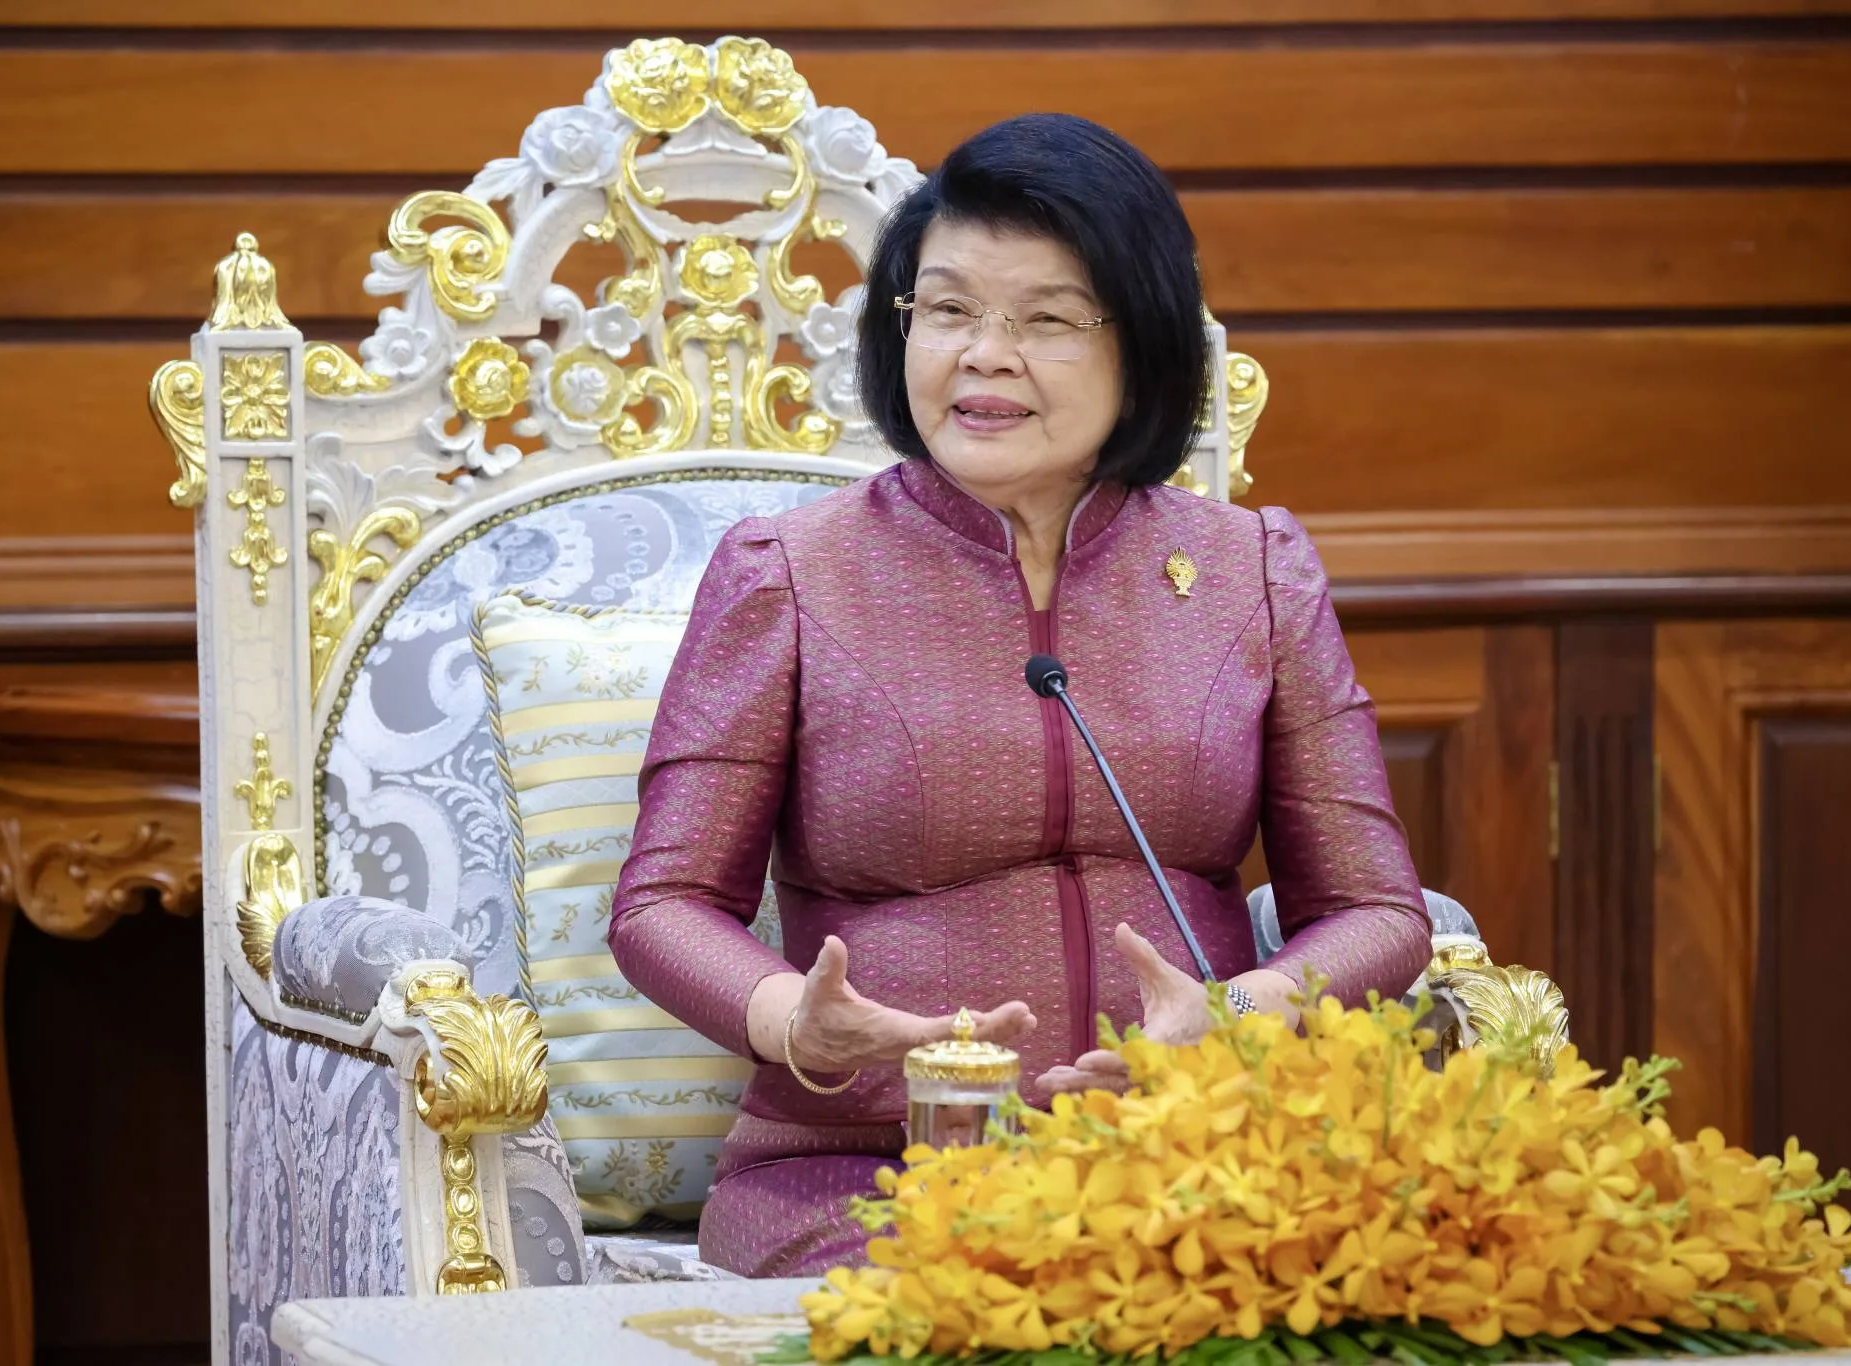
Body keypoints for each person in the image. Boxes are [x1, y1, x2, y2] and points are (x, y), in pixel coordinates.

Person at [608, 113, 1431, 1279]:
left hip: (1188, 1159)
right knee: (994, 1307)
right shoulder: (786, 574)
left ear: (1141, 344)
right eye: (947, 310)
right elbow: (663, 905)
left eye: (1044, 320)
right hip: (864, 1170)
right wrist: (794, 1020)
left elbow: (1378, 913)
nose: (983, 355)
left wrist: (1238, 1014)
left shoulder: (1250, 571)